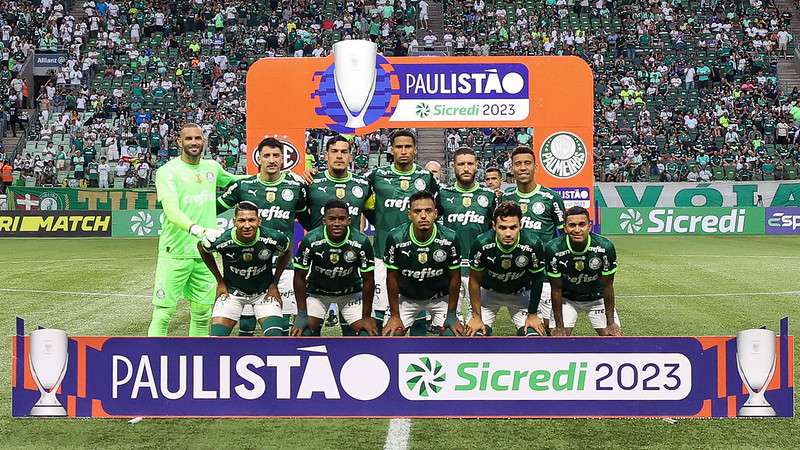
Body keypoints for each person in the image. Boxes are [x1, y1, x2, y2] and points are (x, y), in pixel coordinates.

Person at [148, 123, 241, 337]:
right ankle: (152, 358)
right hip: (176, 253)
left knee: (201, 313)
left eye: (198, 138)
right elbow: (171, 211)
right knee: (163, 313)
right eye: (188, 139)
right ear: (179, 142)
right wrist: (198, 230)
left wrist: (268, 178)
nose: (194, 143)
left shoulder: (212, 168)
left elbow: (236, 182)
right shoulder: (167, 172)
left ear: (204, 142)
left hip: (204, 254)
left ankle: (194, 359)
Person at [217, 137, 307, 336]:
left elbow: (307, 219)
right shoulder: (243, 186)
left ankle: (280, 362)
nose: (272, 160)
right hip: (249, 266)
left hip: (284, 264)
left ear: (283, 159)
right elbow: (212, 209)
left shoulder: (295, 187)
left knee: (281, 322)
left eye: (276, 155)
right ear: (259, 158)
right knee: (247, 323)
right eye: (267, 155)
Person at [365, 129, 439, 331]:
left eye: (408, 146)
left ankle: (417, 355)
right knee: (380, 312)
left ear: (415, 149)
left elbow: (437, 209)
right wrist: (380, 222)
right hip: (382, 255)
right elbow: (358, 199)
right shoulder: (376, 175)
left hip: (416, 255)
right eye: (399, 147)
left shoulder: (426, 176)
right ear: (392, 149)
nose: (403, 151)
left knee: (417, 311)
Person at [198, 201, 290, 336]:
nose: (247, 225)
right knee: (216, 340)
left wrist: (274, 283)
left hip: (263, 293)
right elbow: (202, 248)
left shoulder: (273, 238)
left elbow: (287, 250)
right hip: (232, 294)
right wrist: (220, 281)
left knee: (275, 337)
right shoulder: (223, 240)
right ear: (234, 221)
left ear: (259, 221)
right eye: (242, 220)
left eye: (251, 220)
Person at [501, 146, 565, 331]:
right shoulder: (505, 198)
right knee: (525, 328)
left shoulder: (550, 198)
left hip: (543, 277)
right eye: (517, 164)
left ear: (535, 167)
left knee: (546, 329)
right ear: (511, 168)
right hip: (514, 276)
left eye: (527, 163)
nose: (522, 167)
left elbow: (563, 239)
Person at [382, 190, 463, 336]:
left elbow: (455, 278)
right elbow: (391, 278)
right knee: (391, 335)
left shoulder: (450, 238)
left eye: (428, 211)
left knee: (454, 335)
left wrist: (451, 314)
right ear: (410, 215)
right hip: (406, 298)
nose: (423, 215)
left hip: (440, 298)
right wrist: (394, 316)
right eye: (417, 211)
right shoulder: (396, 237)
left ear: (436, 213)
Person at [292, 200, 378, 336]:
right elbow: (299, 277)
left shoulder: (361, 241)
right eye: (332, 219)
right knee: (303, 333)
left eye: (342, 219)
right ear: (324, 221)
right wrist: (302, 314)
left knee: (366, 334)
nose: (337, 223)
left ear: (349, 220)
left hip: (350, 294)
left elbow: (368, 280)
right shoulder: (311, 240)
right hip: (318, 294)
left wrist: (366, 316)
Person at [465, 202, 546, 336]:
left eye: (513, 227)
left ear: (520, 226)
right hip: (488, 294)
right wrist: (476, 316)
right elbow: (474, 280)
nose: (508, 233)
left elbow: (537, 280)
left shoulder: (533, 244)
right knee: (475, 335)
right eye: (502, 228)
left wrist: (532, 314)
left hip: (521, 294)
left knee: (534, 336)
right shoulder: (481, 243)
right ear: (494, 226)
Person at [437, 147, 496, 320]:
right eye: (461, 164)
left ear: (477, 166)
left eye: (470, 164)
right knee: (450, 322)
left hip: (479, 268)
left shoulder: (490, 195)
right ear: (453, 166)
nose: (466, 168)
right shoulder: (443, 194)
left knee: (479, 321)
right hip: (450, 268)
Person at [546, 206, 622, 336]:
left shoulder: (605, 247)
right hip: (567, 298)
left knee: (613, 338)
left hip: (597, 298)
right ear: (565, 228)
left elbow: (608, 286)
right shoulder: (553, 248)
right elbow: (556, 289)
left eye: (582, 224)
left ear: (589, 226)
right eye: (572, 225)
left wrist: (610, 323)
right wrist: (559, 326)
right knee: (558, 340)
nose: (577, 230)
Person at [299, 135, 371, 232]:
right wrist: (315, 233)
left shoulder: (364, 184)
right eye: (334, 151)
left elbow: (370, 215)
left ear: (350, 157)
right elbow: (301, 214)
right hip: (319, 246)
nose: (339, 156)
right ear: (326, 156)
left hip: (351, 246)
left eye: (344, 152)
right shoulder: (311, 181)